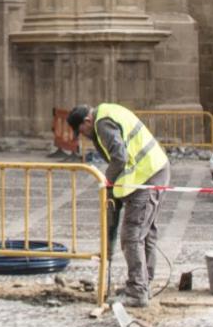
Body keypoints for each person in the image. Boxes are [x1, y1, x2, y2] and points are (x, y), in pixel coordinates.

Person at [67, 103, 170, 307]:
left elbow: (119, 158)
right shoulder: (108, 113)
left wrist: (108, 181)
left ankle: (137, 291)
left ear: (87, 121)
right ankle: (142, 284)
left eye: (81, 131)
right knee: (145, 233)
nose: (84, 136)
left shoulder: (102, 124)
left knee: (132, 235)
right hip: (155, 169)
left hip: (146, 176)